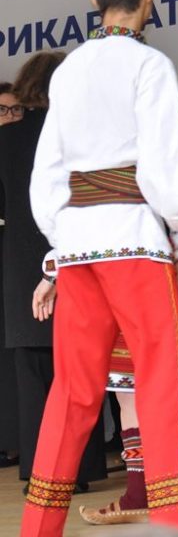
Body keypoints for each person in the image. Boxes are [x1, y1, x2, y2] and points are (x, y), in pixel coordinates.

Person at [21, 0, 178, 537]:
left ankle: (38, 527)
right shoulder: (149, 65)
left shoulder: (68, 70)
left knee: (72, 393)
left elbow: (46, 176)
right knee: (165, 382)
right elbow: (163, 172)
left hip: (79, 251)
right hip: (134, 249)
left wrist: (61, 249)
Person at [79, 146, 178, 527]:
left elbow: (175, 197)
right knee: (125, 389)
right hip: (111, 277)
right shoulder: (92, 145)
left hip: (151, 274)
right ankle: (139, 494)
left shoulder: (147, 138)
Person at [0, 53, 109, 497]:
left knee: (33, 378)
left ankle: (42, 471)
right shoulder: (85, 135)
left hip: (21, 271)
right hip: (78, 261)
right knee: (79, 370)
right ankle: (81, 468)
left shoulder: (6, 140)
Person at [0, 81, 22, 469]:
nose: (12, 116)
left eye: (17, 109)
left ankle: (16, 441)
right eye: (3, 110)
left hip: (19, 262)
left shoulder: (30, 154)